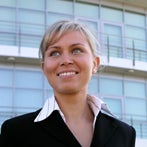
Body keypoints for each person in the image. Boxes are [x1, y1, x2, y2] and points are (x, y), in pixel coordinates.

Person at [0, 20, 136, 147]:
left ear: (95, 64)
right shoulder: (15, 132)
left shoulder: (125, 133)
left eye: (76, 50)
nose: (66, 60)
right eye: (54, 53)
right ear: (44, 68)